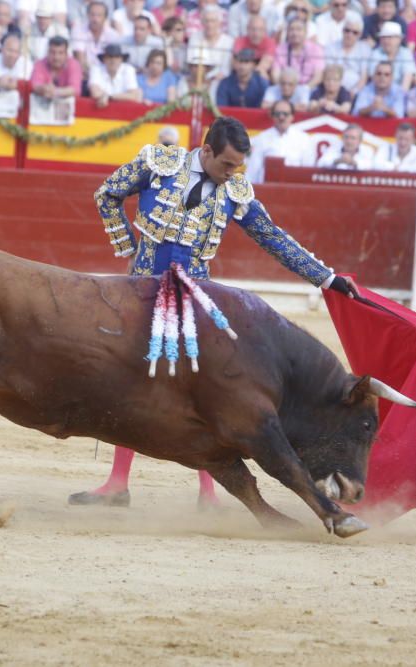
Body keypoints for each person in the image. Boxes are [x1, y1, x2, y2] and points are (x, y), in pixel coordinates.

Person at [70, 116, 357, 508]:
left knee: (208, 390)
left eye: (237, 167)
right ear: (205, 151)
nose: (231, 174)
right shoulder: (158, 163)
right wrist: (126, 244)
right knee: (130, 382)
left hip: (196, 299)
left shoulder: (235, 190)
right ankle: (117, 483)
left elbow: (272, 238)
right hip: (140, 294)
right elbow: (107, 194)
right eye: (226, 165)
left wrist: (326, 278)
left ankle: (209, 492)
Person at [245, 100, 313, 183]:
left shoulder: (304, 139)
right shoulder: (263, 137)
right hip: (267, 188)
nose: (281, 117)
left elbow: (308, 171)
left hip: (294, 188)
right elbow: (253, 169)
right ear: (272, 116)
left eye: (285, 114)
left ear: (292, 116)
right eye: (277, 114)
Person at [323, 14, 371, 96]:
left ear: (360, 35)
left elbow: (364, 77)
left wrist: (354, 92)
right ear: (342, 30)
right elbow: (328, 73)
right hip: (332, 90)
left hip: (356, 91)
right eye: (347, 30)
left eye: (355, 32)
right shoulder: (331, 47)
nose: (350, 35)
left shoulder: (365, 49)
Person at [71, 1, 120, 76]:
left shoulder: (113, 35)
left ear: (105, 18)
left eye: (99, 15)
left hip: (105, 75)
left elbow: (112, 61)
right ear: (87, 15)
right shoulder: (78, 30)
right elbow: (80, 59)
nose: (95, 19)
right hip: (84, 74)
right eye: (92, 15)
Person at [274, 18, 325, 87]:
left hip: (308, 88)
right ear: (287, 32)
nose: (295, 33)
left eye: (299, 29)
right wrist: (284, 89)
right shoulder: (280, 49)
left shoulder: (316, 49)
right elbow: (275, 74)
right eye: (291, 30)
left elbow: (318, 76)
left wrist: (305, 89)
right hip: (284, 89)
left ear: (305, 32)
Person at [30, 35, 83, 100]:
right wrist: (43, 89)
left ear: (66, 54)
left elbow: (75, 90)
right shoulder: (39, 64)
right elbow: (34, 85)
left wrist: (55, 92)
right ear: (48, 52)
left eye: (60, 53)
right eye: (53, 52)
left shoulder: (74, 64)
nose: (56, 57)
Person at [368, 21, 416, 90]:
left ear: (399, 39)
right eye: (384, 37)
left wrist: (400, 97)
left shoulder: (406, 53)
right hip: (378, 91)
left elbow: (407, 78)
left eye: (390, 37)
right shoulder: (376, 53)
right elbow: (374, 78)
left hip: (399, 93)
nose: (386, 41)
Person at [233, 15, 277, 81]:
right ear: (247, 29)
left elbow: (264, 65)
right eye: (253, 29)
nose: (256, 33)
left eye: (260, 29)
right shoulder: (239, 41)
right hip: (242, 72)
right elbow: (236, 63)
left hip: (259, 71)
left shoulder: (270, 42)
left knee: (262, 73)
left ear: (265, 31)